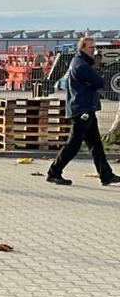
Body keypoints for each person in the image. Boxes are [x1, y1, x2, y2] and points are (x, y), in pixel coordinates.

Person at [47, 36, 118, 186]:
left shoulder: (80, 62)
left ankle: (106, 175)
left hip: (85, 108)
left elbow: (95, 82)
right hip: (82, 110)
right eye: (91, 47)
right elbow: (99, 82)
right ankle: (54, 172)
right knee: (74, 144)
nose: (94, 50)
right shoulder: (82, 66)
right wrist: (93, 81)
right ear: (83, 48)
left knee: (96, 145)